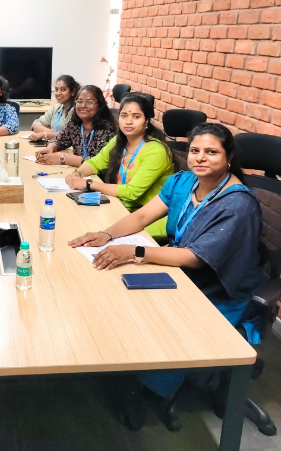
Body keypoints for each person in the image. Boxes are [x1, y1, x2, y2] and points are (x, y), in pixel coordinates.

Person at [68, 123, 264, 426]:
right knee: (113, 288)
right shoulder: (183, 181)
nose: (200, 158)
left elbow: (194, 258)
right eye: (195, 150)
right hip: (179, 268)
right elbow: (143, 215)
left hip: (216, 285)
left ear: (229, 158)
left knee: (151, 318)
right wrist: (106, 234)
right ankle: (128, 370)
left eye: (211, 152)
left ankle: (146, 386)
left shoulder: (239, 204)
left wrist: (135, 252)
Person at [65, 93, 175, 236]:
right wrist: (78, 173)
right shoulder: (119, 141)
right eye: (124, 116)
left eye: (136, 117)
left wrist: (88, 183)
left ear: (147, 121)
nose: (128, 121)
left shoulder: (156, 151)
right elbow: (95, 162)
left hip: (147, 218)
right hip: (120, 208)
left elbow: (132, 192)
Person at [35, 85, 115, 167]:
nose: (83, 105)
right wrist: (50, 148)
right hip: (79, 171)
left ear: (100, 106)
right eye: (79, 101)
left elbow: (98, 162)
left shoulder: (107, 130)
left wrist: (62, 159)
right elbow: (58, 140)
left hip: (98, 174)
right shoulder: (74, 125)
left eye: (89, 102)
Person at [29, 75, 80, 141]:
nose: (58, 93)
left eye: (63, 89)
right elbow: (35, 123)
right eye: (56, 89)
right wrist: (46, 130)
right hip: (53, 144)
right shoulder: (56, 108)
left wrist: (45, 135)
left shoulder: (75, 110)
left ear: (73, 92)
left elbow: (68, 136)